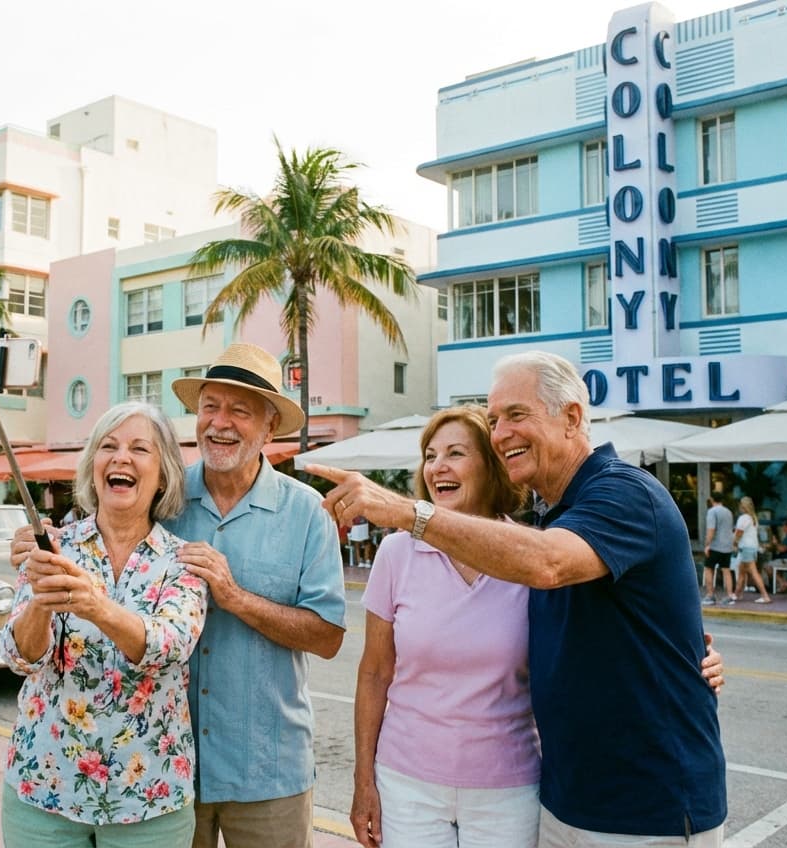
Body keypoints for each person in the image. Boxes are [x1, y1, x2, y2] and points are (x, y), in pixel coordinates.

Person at [311, 350, 726, 846]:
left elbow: (546, 563)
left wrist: (406, 512)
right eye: (493, 420)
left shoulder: (624, 494)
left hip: (645, 809)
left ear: (572, 417)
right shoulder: (555, 518)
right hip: (564, 801)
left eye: (516, 414)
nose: (501, 431)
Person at [13, 343, 347, 848]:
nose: (220, 423)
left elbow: (327, 637)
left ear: (269, 427)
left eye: (240, 410)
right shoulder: (159, 494)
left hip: (265, 768)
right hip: (165, 773)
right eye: (210, 406)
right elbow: (96, 533)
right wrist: (29, 550)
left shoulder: (306, 515)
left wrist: (236, 598)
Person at [1, 401, 208, 847]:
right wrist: (41, 600)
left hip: (150, 802)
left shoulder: (183, 562)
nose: (121, 458)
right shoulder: (53, 547)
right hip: (44, 788)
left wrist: (96, 606)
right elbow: (20, 656)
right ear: (93, 465)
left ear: (164, 473)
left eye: (140, 449)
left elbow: (168, 646)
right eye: (108, 446)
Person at [352, 406, 540, 848]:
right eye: (430, 455)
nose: (438, 467)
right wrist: (364, 781)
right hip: (407, 785)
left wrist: (692, 659)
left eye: (455, 453)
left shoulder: (530, 555)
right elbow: (375, 673)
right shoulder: (396, 553)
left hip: (508, 788)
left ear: (491, 467)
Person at [734, 496, 771, 604]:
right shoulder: (753, 518)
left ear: (742, 506)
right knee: (741, 572)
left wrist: (734, 542)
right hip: (752, 548)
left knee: (754, 573)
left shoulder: (743, 518)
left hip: (746, 548)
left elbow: (739, 533)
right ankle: (737, 594)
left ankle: (765, 596)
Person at [703, 492, 737, 605]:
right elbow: (731, 529)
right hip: (727, 546)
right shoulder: (728, 512)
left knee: (708, 569)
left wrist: (707, 544)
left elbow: (711, 530)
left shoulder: (712, 512)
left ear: (712, 500)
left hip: (715, 545)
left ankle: (710, 595)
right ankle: (729, 595)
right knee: (726, 570)